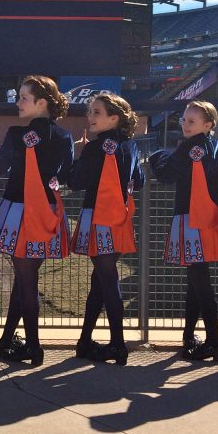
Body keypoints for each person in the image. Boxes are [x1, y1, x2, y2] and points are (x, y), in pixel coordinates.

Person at [150, 101, 218, 363]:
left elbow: (164, 174)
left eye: (191, 121)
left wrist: (156, 155)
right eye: (184, 120)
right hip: (212, 220)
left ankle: (213, 343)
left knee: (200, 282)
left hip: (190, 221)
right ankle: (191, 338)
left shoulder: (187, 148)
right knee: (197, 280)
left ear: (207, 124)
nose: (184, 125)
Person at [0, 75, 74, 366]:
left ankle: (34, 346)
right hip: (46, 213)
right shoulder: (63, 137)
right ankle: (8, 339)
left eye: (24, 97)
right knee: (25, 279)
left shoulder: (14, 134)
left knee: (26, 281)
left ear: (41, 103)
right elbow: (64, 177)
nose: (18, 102)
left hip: (17, 213)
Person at [69, 93, 143, 365]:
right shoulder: (131, 147)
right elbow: (140, 181)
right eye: (91, 111)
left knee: (107, 282)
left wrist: (79, 155)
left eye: (96, 112)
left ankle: (117, 345)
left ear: (115, 118)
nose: (90, 117)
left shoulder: (94, 148)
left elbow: (76, 182)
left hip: (95, 216)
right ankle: (85, 341)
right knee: (99, 282)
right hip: (119, 220)